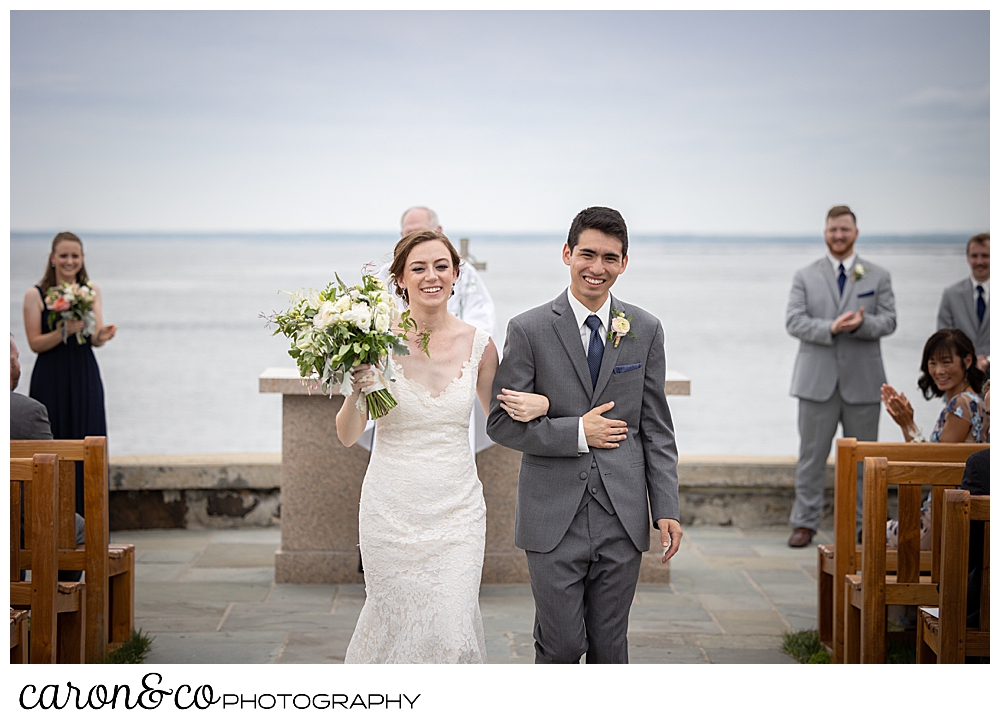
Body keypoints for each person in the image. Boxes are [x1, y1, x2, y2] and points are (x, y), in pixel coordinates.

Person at [336, 229, 546, 663]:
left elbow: (502, 422)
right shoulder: (375, 343)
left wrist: (542, 403)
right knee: (393, 623)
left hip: (457, 513)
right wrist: (360, 387)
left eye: (441, 267)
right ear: (400, 280)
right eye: (418, 268)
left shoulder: (481, 347)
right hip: (390, 512)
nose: (431, 276)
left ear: (455, 276)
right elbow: (346, 434)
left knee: (452, 630)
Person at [487, 206, 682, 664]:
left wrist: (667, 507)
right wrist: (577, 431)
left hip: (623, 514)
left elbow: (656, 427)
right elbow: (499, 423)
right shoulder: (529, 329)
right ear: (567, 254)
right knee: (562, 646)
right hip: (552, 518)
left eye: (610, 258)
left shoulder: (645, 329)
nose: (598, 268)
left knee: (610, 649)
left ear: (624, 263)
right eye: (588, 255)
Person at [785, 205, 897, 547]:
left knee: (866, 461)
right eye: (833, 230)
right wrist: (830, 327)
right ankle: (804, 523)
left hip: (863, 382)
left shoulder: (877, 275)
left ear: (856, 233)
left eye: (844, 230)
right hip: (816, 383)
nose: (838, 236)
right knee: (811, 457)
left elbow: (889, 321)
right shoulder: (805, 275)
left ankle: (864, 524)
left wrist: (863, 324)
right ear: (825, 233)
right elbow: (794, 321)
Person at [23, 231, 116, 516]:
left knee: (89, 440)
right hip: (51, 376)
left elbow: (94, 339)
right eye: (63, 255)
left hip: (84, 373)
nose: (69, 261)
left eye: (75, 255)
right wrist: (62, 331)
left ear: (82, 258)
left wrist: (103, 335)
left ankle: (92, 522)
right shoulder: (35, 294)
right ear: (52, 258)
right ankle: (53, 520)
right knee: (55, 440)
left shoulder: (91, 291)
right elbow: (34, 344)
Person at [11, 336, 86, 581]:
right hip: (20, 527)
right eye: (16, 358)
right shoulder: (29, 412)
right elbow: (51, 481)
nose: (18, 364)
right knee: (76, 528)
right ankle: (59, 604)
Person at [376, 206, 496, 338]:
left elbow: (482, 319)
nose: (431, 277)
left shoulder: (466, 274)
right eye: (409, 233)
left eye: (421, 231)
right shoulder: (385, 275)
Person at [881, 328, 989, 446]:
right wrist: (907, 424)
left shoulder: (961, 403)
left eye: (946, 362)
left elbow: (939, 460)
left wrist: (908, 424)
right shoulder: (975, 400)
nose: (939, 371)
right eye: (933, 363)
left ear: (967, 361)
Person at [937, 233, 989, 371]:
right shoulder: (951, 294)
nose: (979, 262)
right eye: (974, 256)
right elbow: (943, 338)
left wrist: (989, 360)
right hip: (962, 376)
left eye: (985, 256)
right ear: (967, 258)